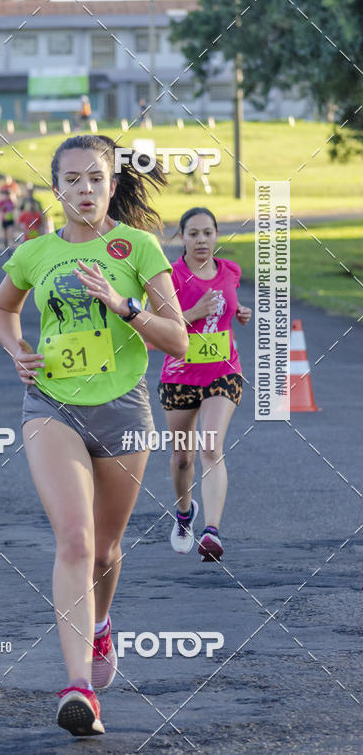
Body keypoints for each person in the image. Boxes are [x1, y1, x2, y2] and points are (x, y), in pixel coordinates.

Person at [0, 134, 188, 737]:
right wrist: (16, 350)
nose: (84, 190)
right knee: (74, 541)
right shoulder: (36, 252)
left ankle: (101, 629)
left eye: (95, 179)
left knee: (104, 550)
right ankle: (78, 688)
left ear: (111, 185)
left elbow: (178, 340)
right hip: (51, 406)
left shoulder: (139, 248)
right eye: (71, 180)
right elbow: (3, 308)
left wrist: (123, 304)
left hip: (124, 411)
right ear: (56, 189)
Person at [158, 207, 252, 562]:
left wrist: (238, 311)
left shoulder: (230, 270)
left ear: (216, 235)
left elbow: (226, 304)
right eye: (193, 233)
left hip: (223, 372)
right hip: (180, 376)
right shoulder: (170, 276)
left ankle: (211, 532)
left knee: (211, 447)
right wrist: (193, 314)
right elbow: (157, 325)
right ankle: (185, 514)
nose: (201, 240)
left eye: (208, 233)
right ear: (182, 237)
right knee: (183, 458)